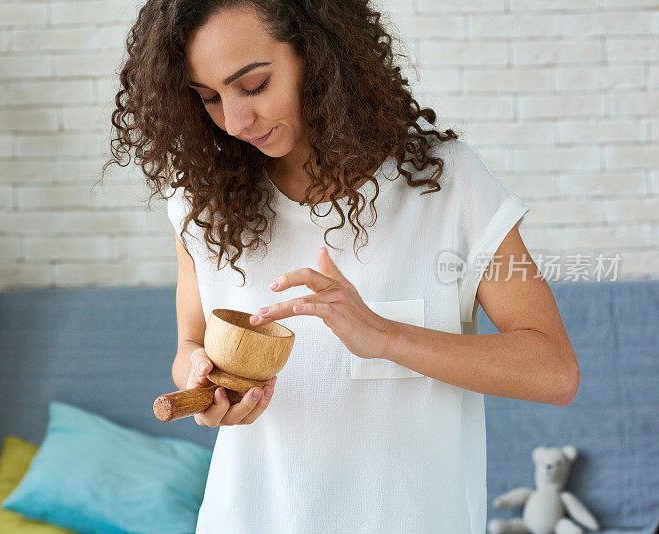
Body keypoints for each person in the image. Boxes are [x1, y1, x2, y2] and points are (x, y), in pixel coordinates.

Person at [103, 1, 580, 532]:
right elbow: (189, 347)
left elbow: (554, 372)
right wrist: (204, 385)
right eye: (209, 98)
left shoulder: (445, 185)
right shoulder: (201, 207)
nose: (234, 121)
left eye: (255, 85)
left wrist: (384, 336)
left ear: (318, 52)